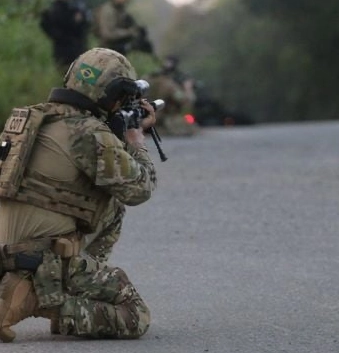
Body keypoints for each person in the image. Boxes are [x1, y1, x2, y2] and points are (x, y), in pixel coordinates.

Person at [0, 47, 158, 342]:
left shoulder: (30, 119)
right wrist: (136, 142)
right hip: (42, 257)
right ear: (112, 95)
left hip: (7, 251)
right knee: (135, 315)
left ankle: (38, 284)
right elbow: (140, 188)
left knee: (111, 208)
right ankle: (47, 300)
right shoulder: (88, 132)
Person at [144, 55, 198, 136]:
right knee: (189, 127)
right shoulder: (169, 84)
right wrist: (188, 89)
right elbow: (184, 100)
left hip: (146, 115)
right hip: (163, 118)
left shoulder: (148, 79)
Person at [40, 0, 91, 74]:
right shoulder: (58, 10)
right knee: (83, 77)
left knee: (86, 76)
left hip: (75, 50)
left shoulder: (73, 7)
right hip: (67, 51)